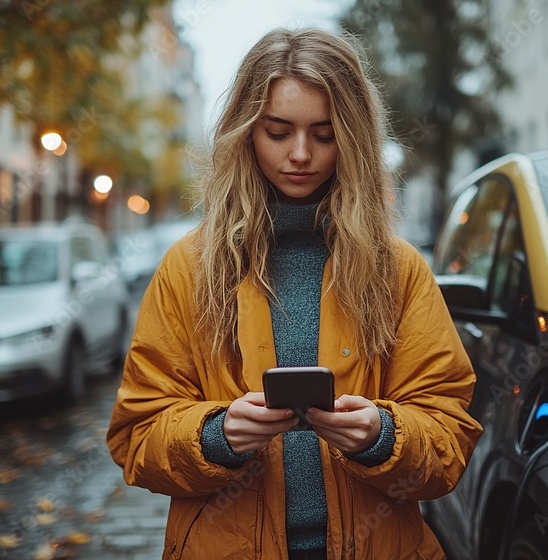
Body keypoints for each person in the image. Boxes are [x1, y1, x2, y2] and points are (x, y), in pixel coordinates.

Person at [107, 27, 482, 560]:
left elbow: (449, 435)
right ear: (245, 131)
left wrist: (383, 435)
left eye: (324, 134)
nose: (301, 154)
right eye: (278, 132)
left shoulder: (396, 269)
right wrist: (217, 435)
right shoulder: (190, 267)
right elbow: (136, 437)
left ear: (351, 137)